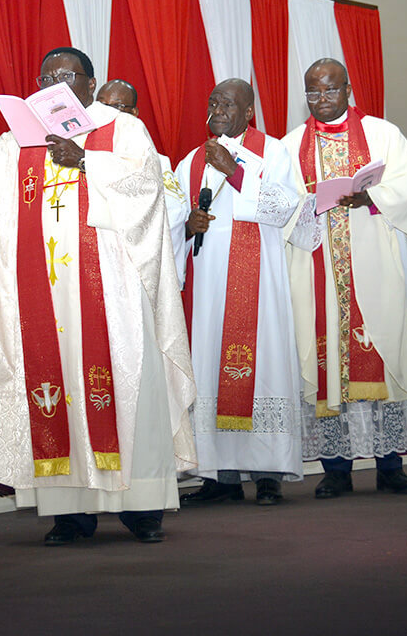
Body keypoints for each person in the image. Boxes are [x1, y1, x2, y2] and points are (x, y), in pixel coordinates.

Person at [0, 47, 196, 545]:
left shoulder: (119, 128)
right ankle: (71, 513)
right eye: (46, 77)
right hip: (44, 297)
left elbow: (147, 188)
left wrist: (86, 160)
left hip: (113, 292)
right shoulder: (20, 138)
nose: (55, 85)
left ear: (89, 81)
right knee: (55, 391)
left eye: (67, 76)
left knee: (127, 389)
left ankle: (142, 508)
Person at [280, 59, 407, 499]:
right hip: (319, 268)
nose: (321, 100)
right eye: (312, 93)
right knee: (326, 361)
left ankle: (391, 464)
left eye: (329, 91)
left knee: (385, 355)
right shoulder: (290, 147)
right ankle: (336, 469)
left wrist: (372, 196)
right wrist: (304, 204)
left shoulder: (383, 134)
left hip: (375, 263)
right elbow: (279, 204)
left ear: (347, 88)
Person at [172, 78, 302, 507]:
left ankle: (268, 475)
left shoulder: (274, 151)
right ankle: (219, 477)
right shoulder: (191, 160)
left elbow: (284, 207)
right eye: (213, 102)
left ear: (249, 112)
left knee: (262, 367)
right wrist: (188, 227)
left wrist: (235, 169)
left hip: (258, 284)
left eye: (230, 103)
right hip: (209, 285)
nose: (219, 109)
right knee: (210, 368)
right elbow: (171, 223)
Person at [95, 79, 189, 281]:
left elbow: (173, 216)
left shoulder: (155, 161)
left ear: (134, 114)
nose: (108, 113)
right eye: (102, 105)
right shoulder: (83, 153)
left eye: (118, 107)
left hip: (135, 267)